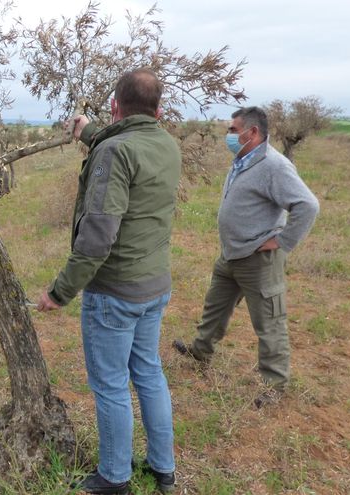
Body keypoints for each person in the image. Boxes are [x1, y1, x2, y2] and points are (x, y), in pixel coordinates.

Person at [36, 69, 181, 494]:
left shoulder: (115, 151)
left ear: (116, 106)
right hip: (153, 286)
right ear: (159, 108)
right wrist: (92, 134)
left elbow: (97, 238)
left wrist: (60, 291)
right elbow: (128, 146)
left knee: (111, 385)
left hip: (115, 293)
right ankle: (162, 468)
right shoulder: (166, 144)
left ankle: (114, 477)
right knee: (149, 373)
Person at [173, 106, 319, 409]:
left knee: (269, 322)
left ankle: (275, 385)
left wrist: (282, 241)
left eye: (232, 129)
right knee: (215, 307)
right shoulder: (241, 159)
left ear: (251, 133)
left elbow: (308, 205)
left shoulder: (274, 166)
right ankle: (200, 352)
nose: (228, 135)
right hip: (232, 255)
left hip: (258, 261)